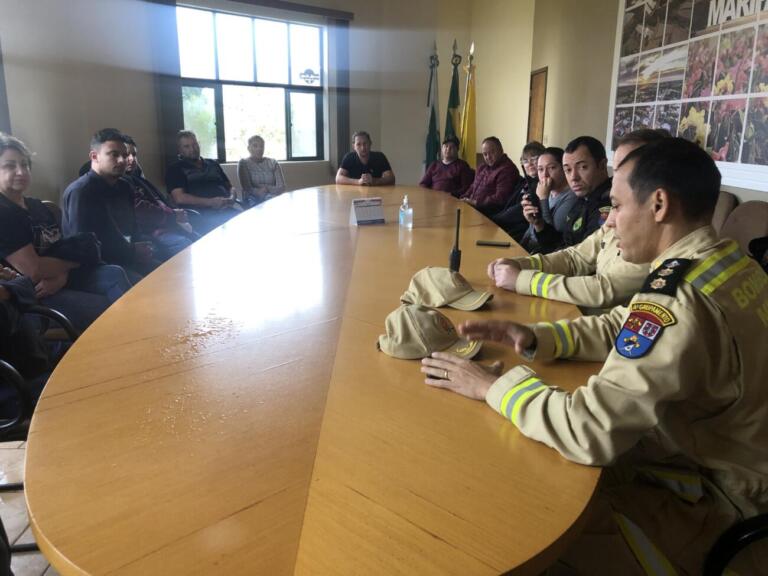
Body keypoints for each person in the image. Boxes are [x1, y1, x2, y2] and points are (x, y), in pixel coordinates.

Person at [422, 138, 768, 575]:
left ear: (658, 204)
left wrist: (492, 386)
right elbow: (625, 324)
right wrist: (535, 336)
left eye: (619, 206)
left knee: (537, 521)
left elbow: (588, 430)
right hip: (732, 461)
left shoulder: (679, 301)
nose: (611, 222)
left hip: (723, 503)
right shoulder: (728, 262)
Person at [487, 130, 669, 311]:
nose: (573, 177)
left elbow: (603, 290)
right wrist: (522, 264)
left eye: (582, 167)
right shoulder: (587, 201)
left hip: (582, 307)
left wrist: (523, 279)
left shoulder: (655, 232)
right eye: (619, 168)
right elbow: (574, 257)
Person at [0, 133, 131, 331]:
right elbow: (33, 271)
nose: (21, 171)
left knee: (114, 273)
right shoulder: (4, 212)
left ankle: (140, 333)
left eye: (25, 164)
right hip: (33, 296)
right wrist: (70, 265)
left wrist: (62, 275)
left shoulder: (38, 207)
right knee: (107, 310)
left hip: (60, 279)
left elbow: (65, 249)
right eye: (10, 166)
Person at [63, 129, 157, 283]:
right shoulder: (81, 192)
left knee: (167, 274)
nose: (122, 161)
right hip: (94, 267)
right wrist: (131, 251)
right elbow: (83, 247)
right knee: (139, 284)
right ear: (94, 156)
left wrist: (142, 247)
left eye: (125, 155)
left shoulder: (125, 186)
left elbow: (133, 229)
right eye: (114, 154)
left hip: (126, 256)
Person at [122, 135, 197, 261]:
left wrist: (174, 213)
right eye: (126, 155)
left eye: (134, 155)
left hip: (170, 223)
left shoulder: (137, 178)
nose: (132, 159)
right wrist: (173, 215)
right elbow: (142, 211)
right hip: (154, 231)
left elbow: (160, 200)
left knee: (202, 241)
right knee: (187, 248)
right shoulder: (122, 183)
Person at [533, 136, 612, 253]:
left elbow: (583, 258)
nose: (574, 177)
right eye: (568, 170)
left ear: (602, 165)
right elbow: (563, 243)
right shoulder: (583, 198)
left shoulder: (609, 203)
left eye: (583, 167)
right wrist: (539, 224)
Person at [165, 130, 241, 234]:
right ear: (180, 150)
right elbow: (179, 198)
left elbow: (230, 187)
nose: (193, 149)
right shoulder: (175, 169)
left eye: (195, 144)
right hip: (202, 215)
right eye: (187, 146)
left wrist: (232, 198)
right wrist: (211, 202)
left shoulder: (213, 163)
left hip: (227, 209)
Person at [517, 147, 577, 253]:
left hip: (545, 253)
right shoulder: (545, 190)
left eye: (551, 168)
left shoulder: (572, 197)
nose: (544, 175)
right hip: (527, 247)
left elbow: (550, 237)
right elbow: (531, 230)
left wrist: (543, 199)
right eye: (540, 169)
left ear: (564, 169)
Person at [492, 141, 545, 241]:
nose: (529, 164)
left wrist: (492, 220)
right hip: (505, 224)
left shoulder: (540, 185)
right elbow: (508, 205)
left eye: (534, 159)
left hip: (518, 231)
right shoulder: (523, 181)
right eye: (525, 161)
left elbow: (518, 211)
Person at [460, 136, 520, 216]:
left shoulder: (507, 169)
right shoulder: (482, 167)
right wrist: (462, 198)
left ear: (501, 150)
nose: (488, 157)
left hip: (488, 214)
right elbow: (473, 186)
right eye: (485, 154)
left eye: (492, 152)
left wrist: (475, 202)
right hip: (472, 208)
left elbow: (500, 198)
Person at [237, 135, 286, 206]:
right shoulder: (243, 163)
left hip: (273, 198)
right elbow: (247, 188)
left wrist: (266, 188)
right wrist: (259, 192)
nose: (259, 149)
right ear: (248, 148)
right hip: (253, 200)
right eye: (255, 146)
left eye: (261, 146)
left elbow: (282, 187)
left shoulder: (273, 162)